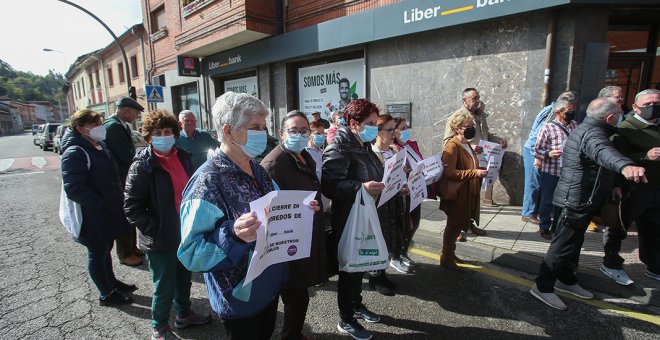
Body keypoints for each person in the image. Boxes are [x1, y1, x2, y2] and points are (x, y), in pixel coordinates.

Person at [177, 92, 319, 339]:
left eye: (264, 127)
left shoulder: (257, 169)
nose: (262, 134)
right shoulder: (206, 182)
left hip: (269, 284)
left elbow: (275, 208)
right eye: (255, 127)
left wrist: (301, 209)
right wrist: (233, 233)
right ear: (228, 131)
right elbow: (192, 254)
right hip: (239, 297)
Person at [530, 97, 647, 311]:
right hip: (575, 200)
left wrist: (613, 184)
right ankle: (542, 287)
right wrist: (625, 166)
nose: (623, 114)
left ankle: (566, 280)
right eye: (620, 111)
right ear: (610, 117)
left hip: (584, 200)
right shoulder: (593, 133)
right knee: (563, 245)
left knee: (573, 244)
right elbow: (605, 153)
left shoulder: (590, 128)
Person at [124, 110, 212, 339]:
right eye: (157, 133)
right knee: (163, 285)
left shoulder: (183, 157)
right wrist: (157, 230)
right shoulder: (142, 165)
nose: (164, 136)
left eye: (167, 132)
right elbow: (131, 207)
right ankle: (159, 326)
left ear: (175, 133)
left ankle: (184, 314)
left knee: (184, 278)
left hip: (185, 231)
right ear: (149, 136)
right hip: (161, 237)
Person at [261, 110, 327, 340]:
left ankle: (293, 334)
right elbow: (269, 210)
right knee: (294, 296)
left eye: (303, 131)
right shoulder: (274, 164)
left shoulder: (303, 156)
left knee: (298, 294)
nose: (299, 135)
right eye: (293, 130)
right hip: (286, 242)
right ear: (281, 134)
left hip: (303, 235)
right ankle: (290, 335)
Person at [323, 98, 386, 340]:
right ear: (353, 123)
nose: (374, 129)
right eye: (370, 123)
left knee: (360, 266)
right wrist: (360, 187)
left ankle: (356, 304)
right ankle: (345, 318)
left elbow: (373, 176)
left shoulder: (364, 145)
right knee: (350, 268)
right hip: (348, 217)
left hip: (365, 213)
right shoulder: (339, 146)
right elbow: (329, 185)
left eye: (375, 123)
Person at [60, 109, 136, 306]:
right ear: (80, 128)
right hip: (92, 216)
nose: (100, 128)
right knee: (97, 252)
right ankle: (106, 293)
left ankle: (111, 282)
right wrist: (101, 204)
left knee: (105, 249)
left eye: (100, 123)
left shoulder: (98, 146)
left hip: (107, 211)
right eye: (94, 125)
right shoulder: (75, 152)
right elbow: (74, 189)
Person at [601, 89, 660, 285]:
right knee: (618, 226)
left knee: (653, 228)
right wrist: (645, 156)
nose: (653, 107)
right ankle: (611, 263)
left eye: (657, 103)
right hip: (633, 189)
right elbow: (615, 159)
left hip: (656, 189)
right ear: (635, 107)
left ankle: (653, 265)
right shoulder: (626, 128)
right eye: (648, 105)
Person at [443, 87, 507, 214]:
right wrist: (468, 146)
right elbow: (447, 142)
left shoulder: (480, 116)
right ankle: (457, 229)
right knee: (461, 197)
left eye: (478, 97)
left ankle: (470, 223)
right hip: (464, 165)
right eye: (474, 98)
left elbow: (485, 134)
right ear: (465, 100)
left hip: (480, 161)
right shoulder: (456, 118)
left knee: (474, 195)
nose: (478, 101)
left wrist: (498, 140)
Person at [439, 111, 488, 270]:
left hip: (467, 191)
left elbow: (467, 163)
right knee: (453, 225)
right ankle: (446, 257)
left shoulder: (465, 142)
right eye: (468, 126)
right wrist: (474, 173)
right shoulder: (452, 146)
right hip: (458, 193)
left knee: (458, 224)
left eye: (472, 126)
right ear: (457, 128)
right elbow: (449, 172)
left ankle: (449, 253)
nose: (472, 129)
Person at [522, 91, 577, 225]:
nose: (572, 109)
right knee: (534, 183)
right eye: (570, 104)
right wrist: (541, 156)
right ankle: (528, 213)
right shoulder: (550, 113)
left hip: (554, 161)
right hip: (534, 150)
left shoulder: (572, 123)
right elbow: (541, 135)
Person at [104, 96, 143, 266]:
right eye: (135, 113)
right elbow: (125, 155)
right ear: (126, 110)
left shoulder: (121, 125)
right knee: (124, 216)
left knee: (131, 213)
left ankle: (132, 247)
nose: (136, 117)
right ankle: (125, 253)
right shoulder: (113, 127)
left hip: (124, 178)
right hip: (119, 179)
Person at [533, 99, 578, 239]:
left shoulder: (575, 125)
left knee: (563, 201)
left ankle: (557, 226)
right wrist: (548, 154)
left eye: (573, 109)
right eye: (568, 111)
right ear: (558, 113)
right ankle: (544, 226)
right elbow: (537, 149)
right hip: (551, 171)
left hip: (568, 170)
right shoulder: (547, 127)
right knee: (548, 200)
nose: (571, 113)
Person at [371, 114, 408, 276]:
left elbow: (398, 177)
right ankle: (376, 276)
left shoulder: (394, 151)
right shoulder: (371, 154)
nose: (395, 134)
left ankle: (385, 268)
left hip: (396, 204)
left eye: (395, 129)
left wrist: (404, 184)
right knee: (379, 240)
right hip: (380, 207)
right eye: (390, 130)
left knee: (393, 238)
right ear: (378, 132)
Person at [392, 117, 423, 269]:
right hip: (403, 193)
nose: (406, 131)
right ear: (394, 132)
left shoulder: (411, 145)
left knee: (414, 224)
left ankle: (404, 252)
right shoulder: (394, 149)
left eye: (406, 127)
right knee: (403, 225)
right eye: (402, 128)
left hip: (416, 191)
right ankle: (396, 255)